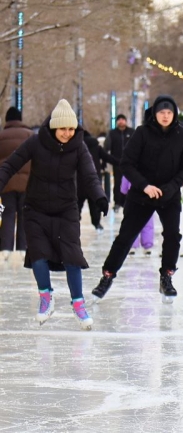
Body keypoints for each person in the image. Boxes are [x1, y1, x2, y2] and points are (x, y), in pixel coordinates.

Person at [0, 99, 107, 329]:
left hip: (66, 209)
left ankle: (78, 303)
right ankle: (45, 297)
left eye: (71, 129)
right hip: (36, 208)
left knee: (72, 256)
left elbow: (90, 175)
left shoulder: (79, 146)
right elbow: (11, 165)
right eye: (63, 129)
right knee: (38, 253)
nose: (67, 133)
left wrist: (99, 197)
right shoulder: (36, 142)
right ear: (53, 127)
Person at [91, 95, 183, 303]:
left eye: (169, 113)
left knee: (172, 236)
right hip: (141, 195)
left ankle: (167, 276)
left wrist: (172, 186)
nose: (165, 116)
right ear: (155, 114)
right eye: (161, 113)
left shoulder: (182, 135)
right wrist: (144, 186)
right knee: (125, 237)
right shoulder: (142, 133)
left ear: (174, 114)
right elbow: (126, 163)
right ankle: (107, 276)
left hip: (169, 195)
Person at [0, 106, 33, 256]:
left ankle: (5, 249)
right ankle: (22, 249)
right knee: (24, 214)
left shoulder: (1, 136)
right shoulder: (30, 136)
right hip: (27, 183)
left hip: (6, 182)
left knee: (7, 214)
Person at [78, 129, 118, 231]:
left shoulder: (77, 147)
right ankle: (97, 223)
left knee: (77, 203)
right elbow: (107, 157)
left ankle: (75, 220)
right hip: (94, 179)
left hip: (79, 180)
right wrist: (122, 163)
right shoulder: (96, 146)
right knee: (94, 204)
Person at [104, 113, 134, 212]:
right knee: (118, 183)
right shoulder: (112, 133)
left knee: (129, 183)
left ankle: (127, 202)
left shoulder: (131, 132)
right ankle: (117, 202)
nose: (121, 121)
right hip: (117, 162)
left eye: (123, 119)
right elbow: (106, 147)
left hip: (130, 163)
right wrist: (110, 159)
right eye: (119, 119)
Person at [121, 176, 154, 256]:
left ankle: (132, 245)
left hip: (133, 197)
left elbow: (124, 183)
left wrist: (124, 190)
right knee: (148, 222)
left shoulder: (131, 166)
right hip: (148, 196)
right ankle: (147, 245)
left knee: (132, 223)